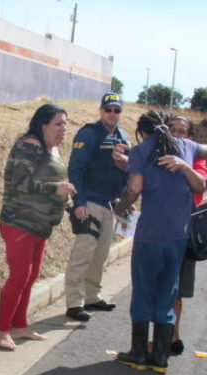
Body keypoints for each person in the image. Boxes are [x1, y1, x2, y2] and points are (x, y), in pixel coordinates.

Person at [113, 110, 207, 374]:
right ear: (166, 128)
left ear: (142, 132)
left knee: (144, 290)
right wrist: (186, 163)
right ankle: (160, 356)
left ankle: (137, 353)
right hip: (177, 236)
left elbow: (134, 189)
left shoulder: (142, 150)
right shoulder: (187, 147)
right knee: (168, 292)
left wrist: (120, 206)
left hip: (149, 236)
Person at [0, 104, 77, 351]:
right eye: (58, 124)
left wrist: (69, 203)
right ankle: (1, 331)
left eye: (65, 123)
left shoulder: (54, 149)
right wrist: (56, 189)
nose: (64, 128)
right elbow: (20, 182)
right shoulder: (30, 144)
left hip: (41, 226)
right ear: (43, 124)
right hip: (19, 222)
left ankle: (19, 326)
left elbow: (55, 182)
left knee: (30, 277)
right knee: (19, 277)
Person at [63, 92, 132, 322]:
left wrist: (125, 202)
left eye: (117, 110)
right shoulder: (89, 133)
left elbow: (128, 173)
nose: (112, 114)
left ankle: (92, 296)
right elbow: (76, 169)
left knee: (100, 255)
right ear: (100, 110)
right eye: (108, 109)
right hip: (90, 203)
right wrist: (79, 202)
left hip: (111, 204)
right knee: (83, 254)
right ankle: (74, 303)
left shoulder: (124, 136)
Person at [167, 116, 207, 356]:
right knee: (159, 288)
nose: (176, 135)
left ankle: (173, 335)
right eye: (172, 130)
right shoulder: (158, 155)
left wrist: (184, 165)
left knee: (176, 290)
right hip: (160, 231)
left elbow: (200, 186)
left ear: (191, 138)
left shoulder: (196, 158)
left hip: (184, 232)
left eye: (182, 132)